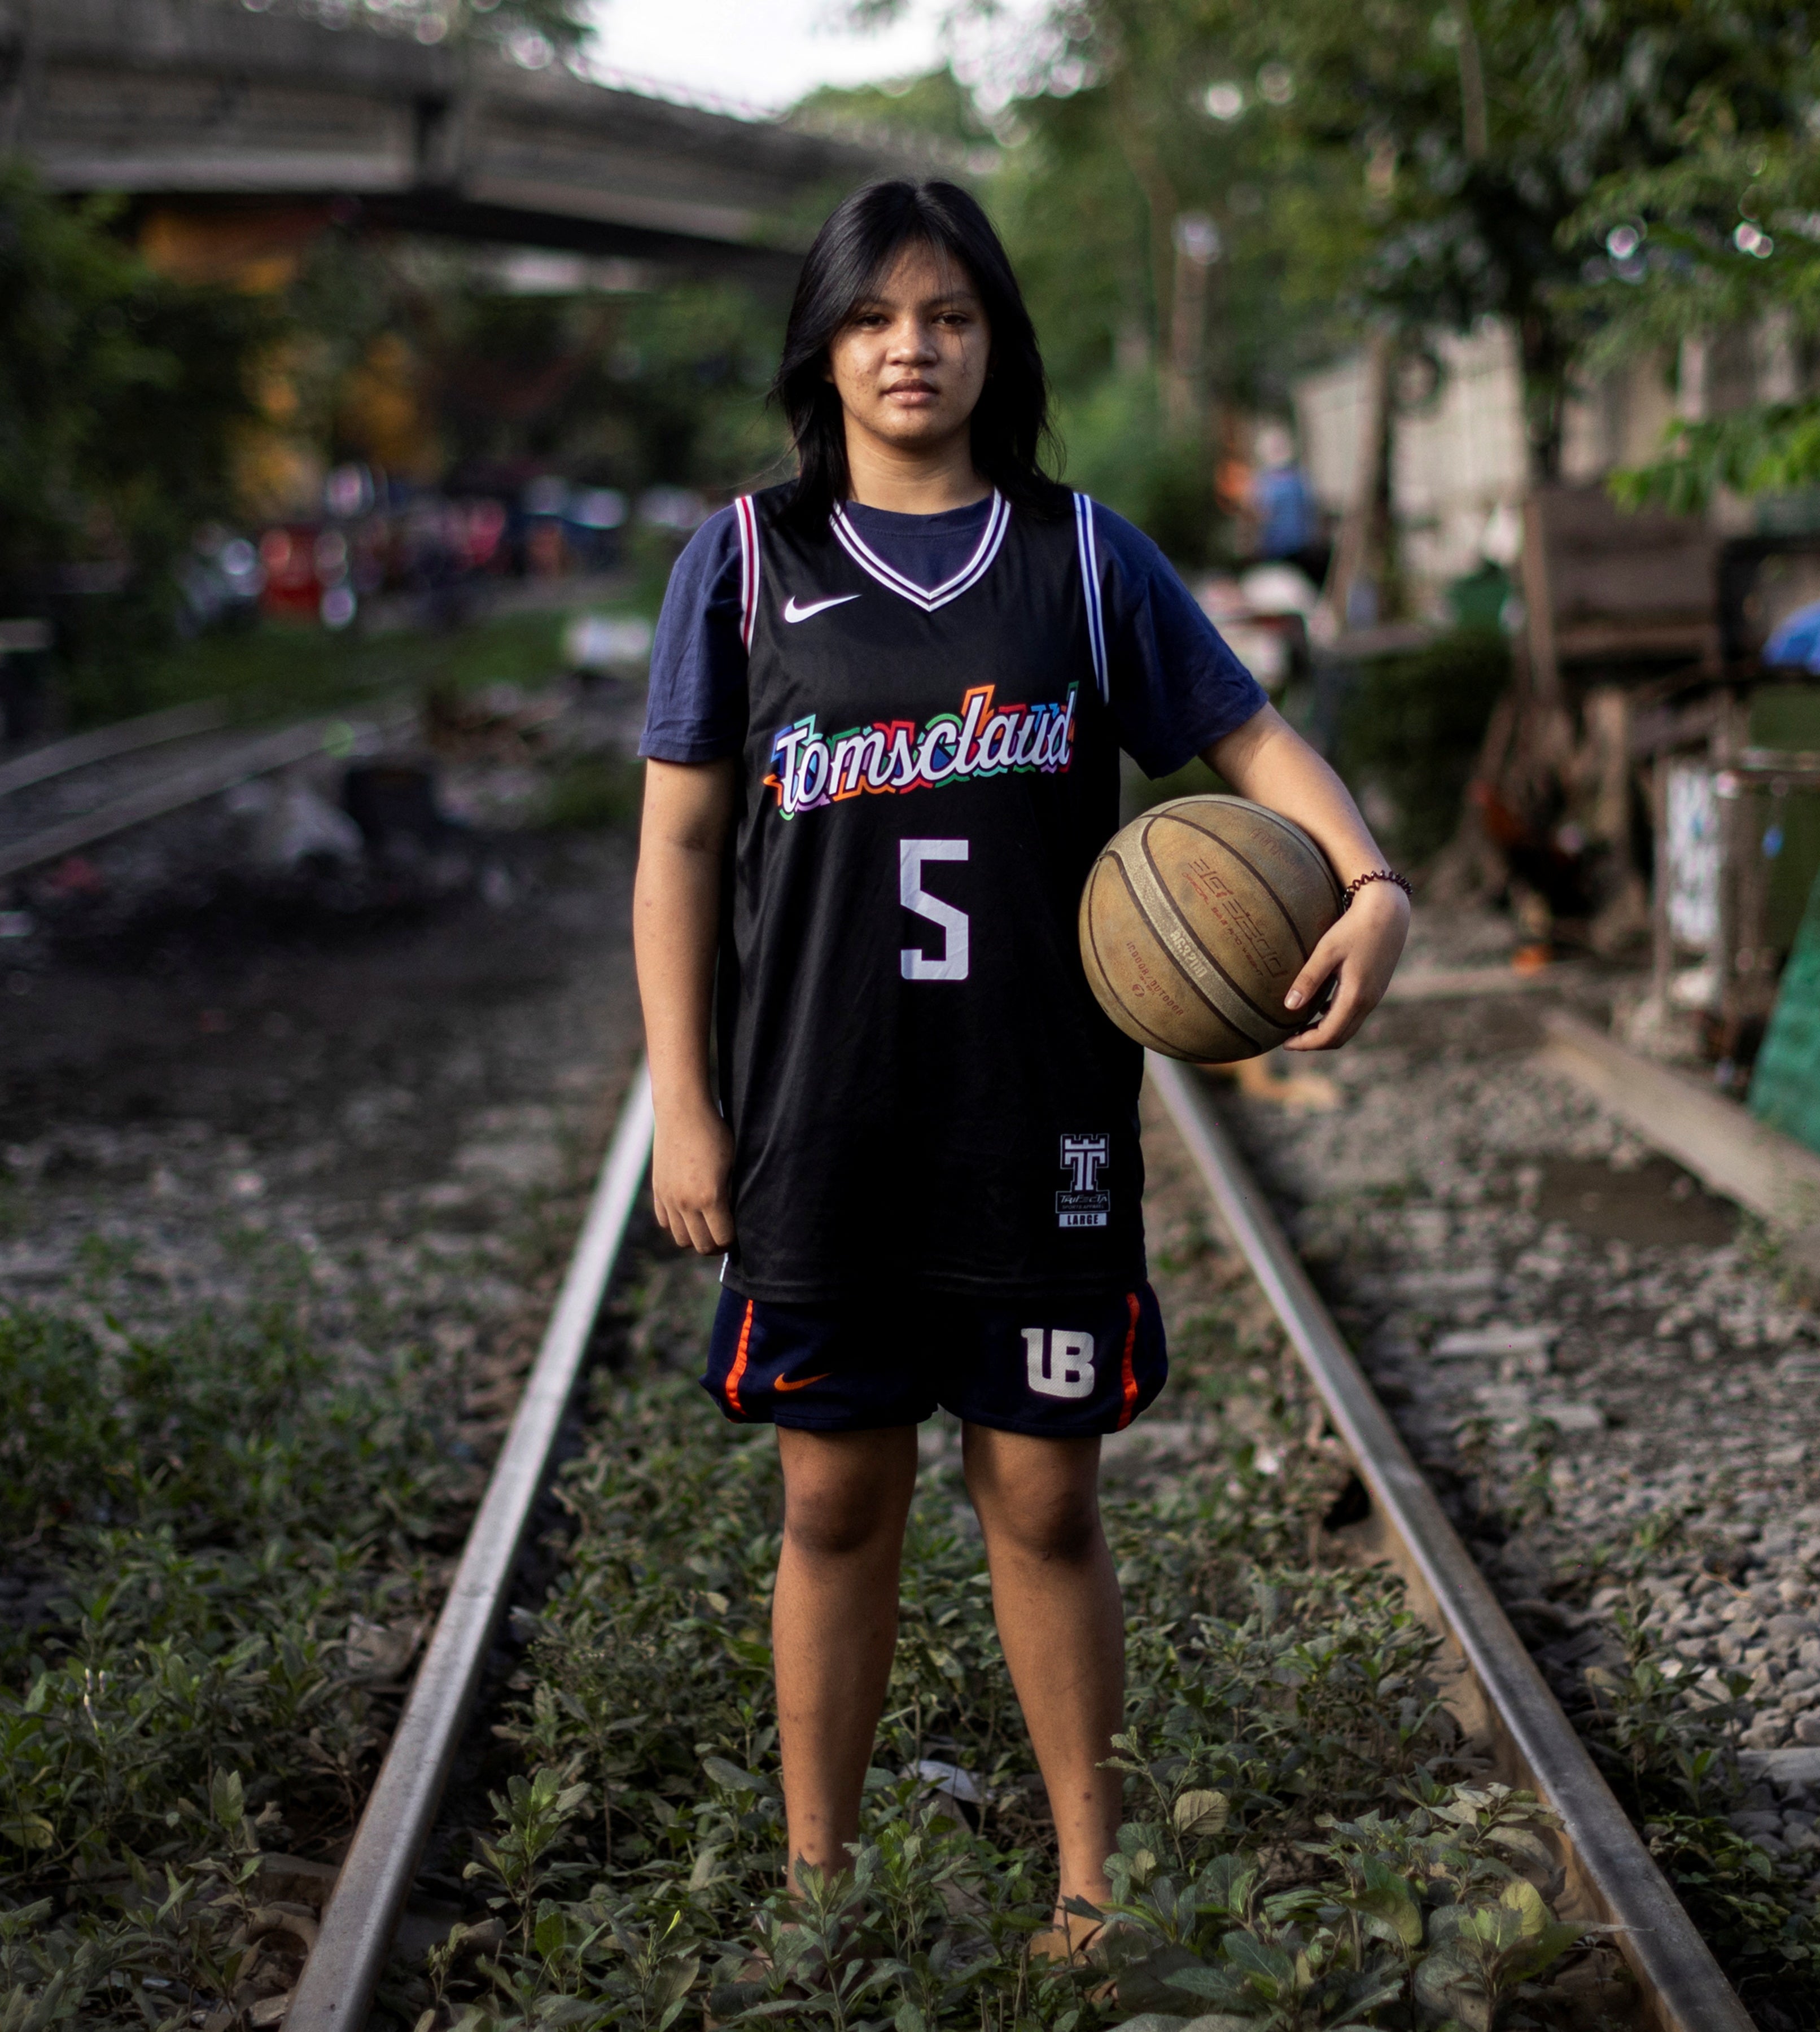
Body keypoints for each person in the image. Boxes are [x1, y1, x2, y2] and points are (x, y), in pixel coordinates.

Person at [631, 177, 1412, 1956]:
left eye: (952, 315)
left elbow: (1250, 736)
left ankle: (1092, 1886)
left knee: (1046, 1490)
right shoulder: (747, 562)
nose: (915, 348)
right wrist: (688, 1101)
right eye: (877, 318)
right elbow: (677, 853)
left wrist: (1370, 881)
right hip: (823, 1116)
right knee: (833, 1490)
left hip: (1035, 1114)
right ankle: (816, 1884)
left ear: (998, 341)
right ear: (823, 349)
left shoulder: (1081, 556)